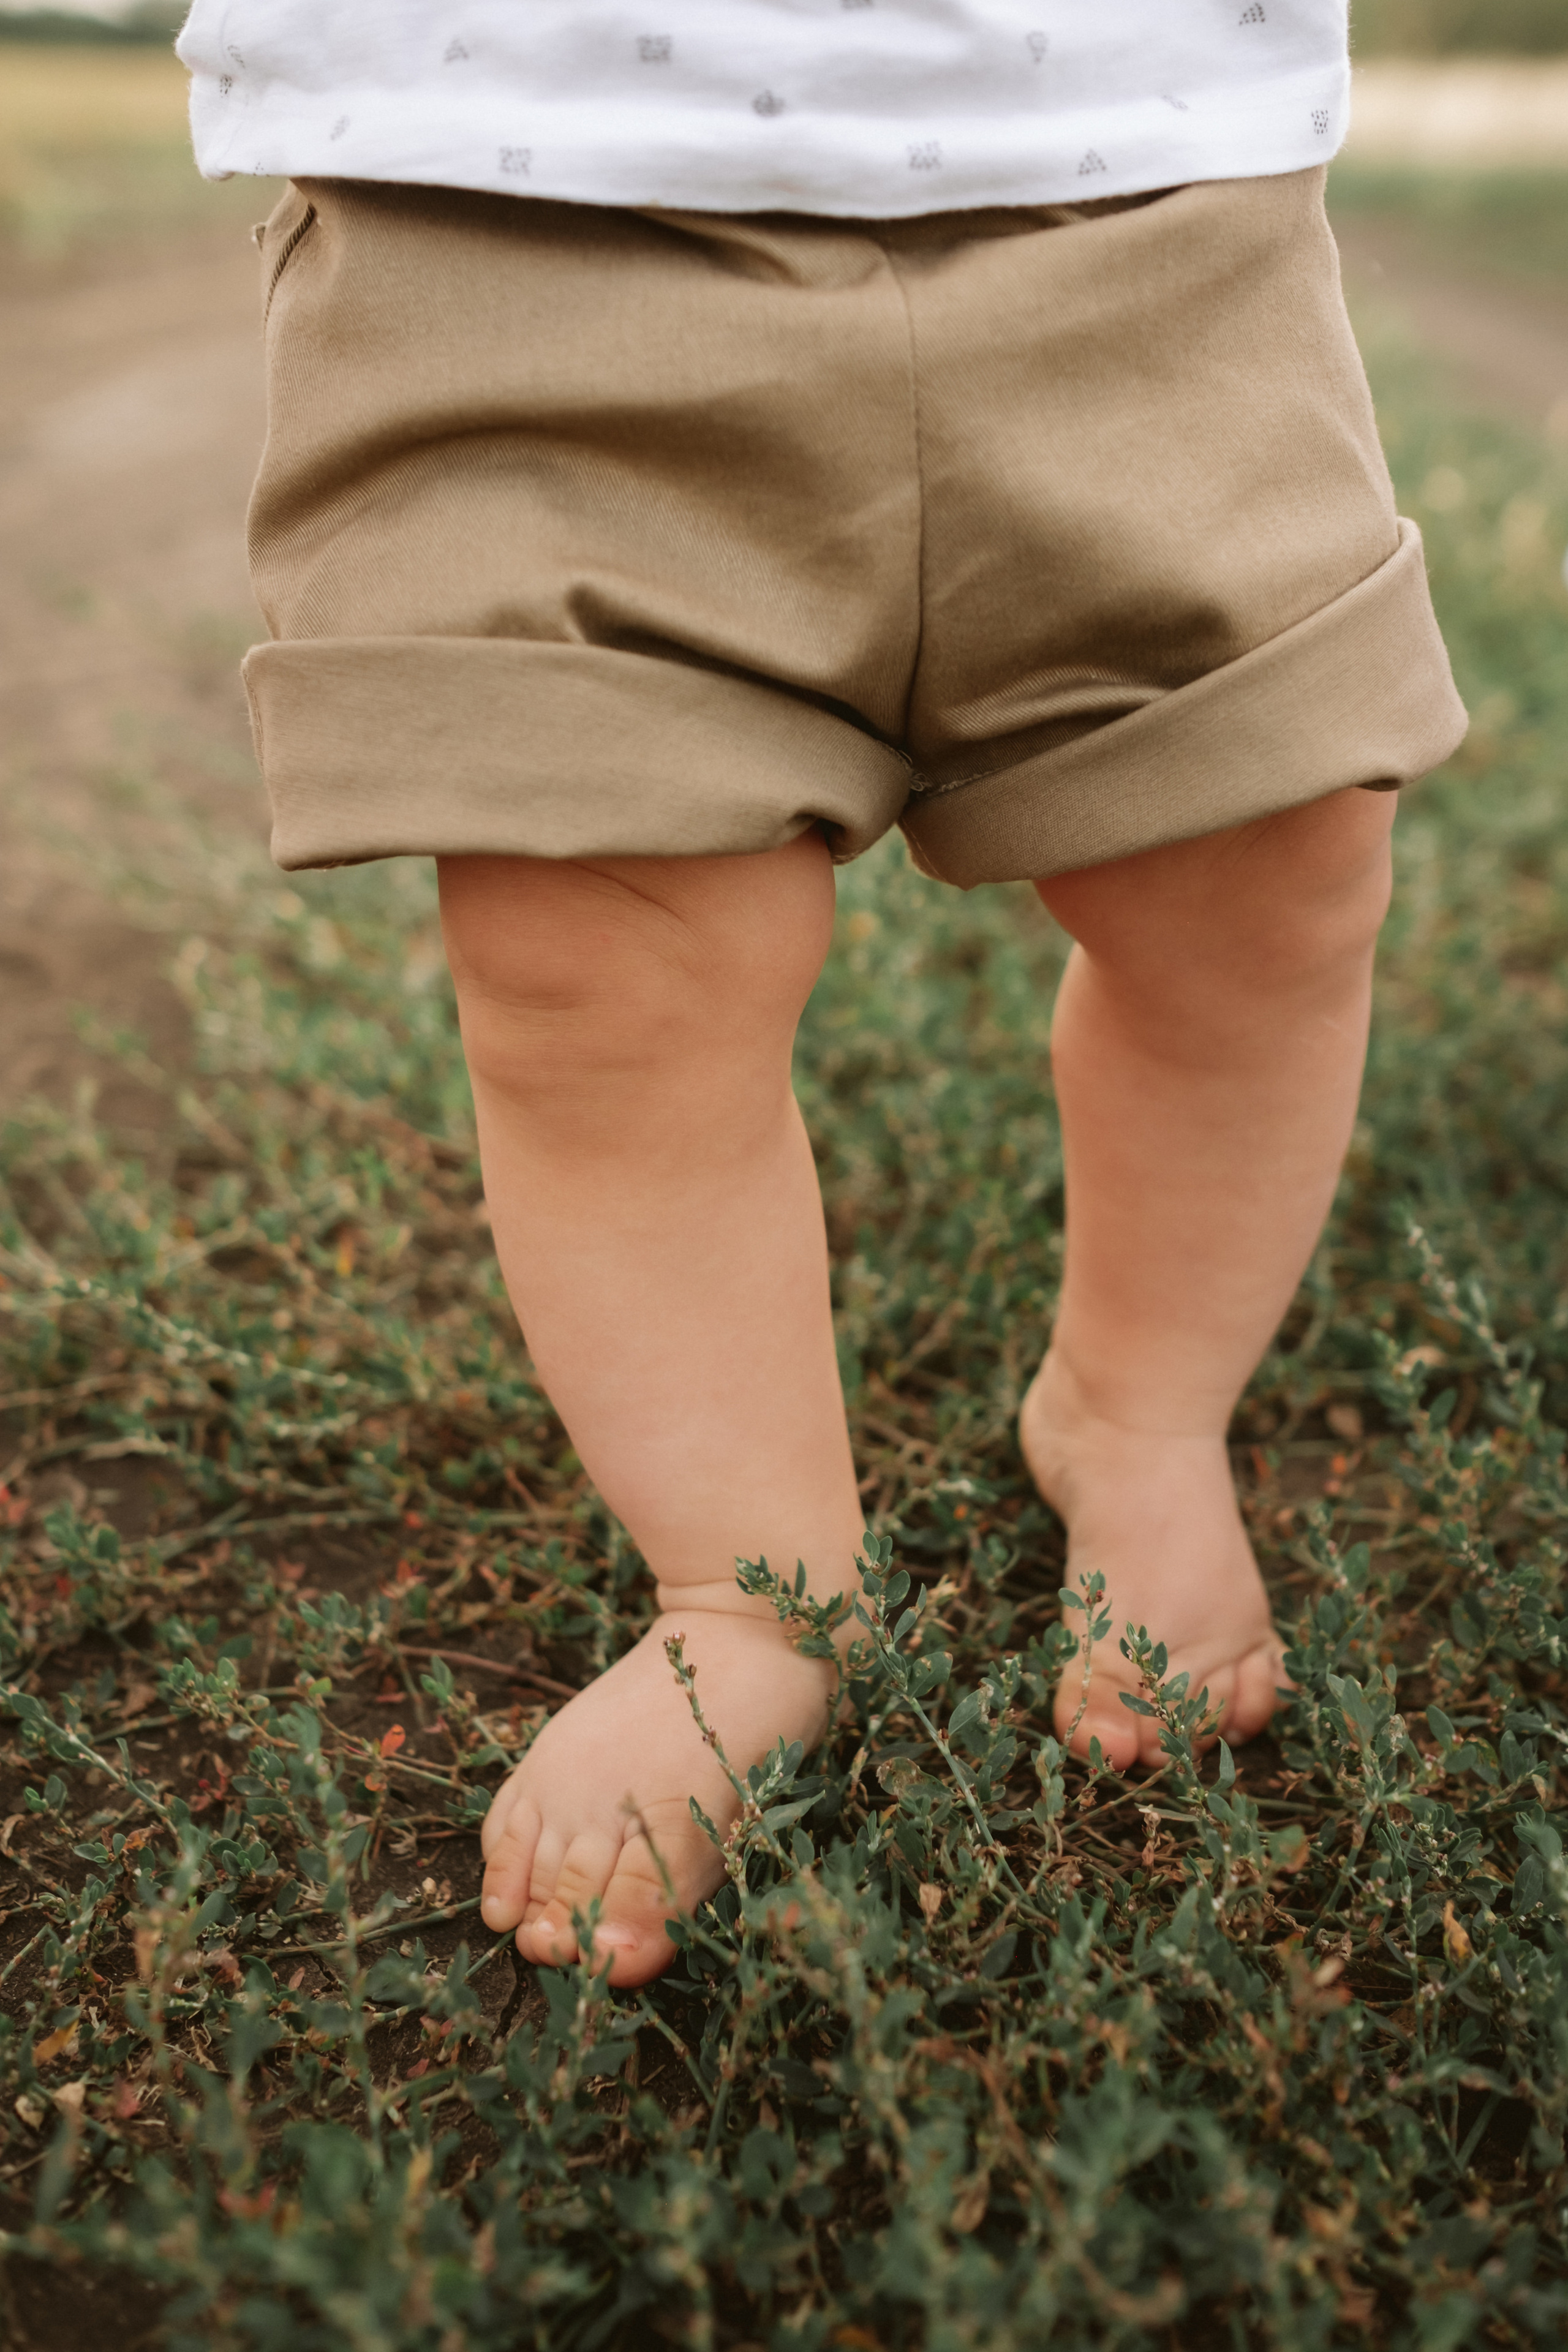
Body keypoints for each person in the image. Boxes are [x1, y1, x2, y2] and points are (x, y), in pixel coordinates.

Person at [179, 1, 1466, 1986]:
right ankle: (751, 1592)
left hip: (1141, 175)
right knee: (596, 962)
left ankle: (1137, 1414)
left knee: (1265, 863)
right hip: (520, 196)